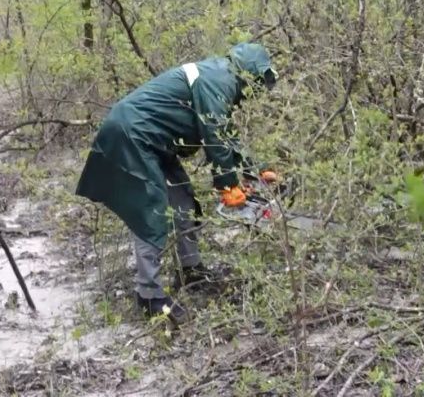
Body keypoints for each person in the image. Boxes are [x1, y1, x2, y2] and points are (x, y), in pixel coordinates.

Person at [74, 43, 282, 324]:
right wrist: (227, 184)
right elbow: (214, 134)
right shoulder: (220, 79)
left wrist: (256, 171)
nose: (255, 91)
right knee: (151, 212)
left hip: (156, 142)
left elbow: (225, 134)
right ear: (248, 73)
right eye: (258, 81)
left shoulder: (219, 79)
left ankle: (190, 269)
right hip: (132, 136)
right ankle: (149, 296)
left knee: (184, 202)